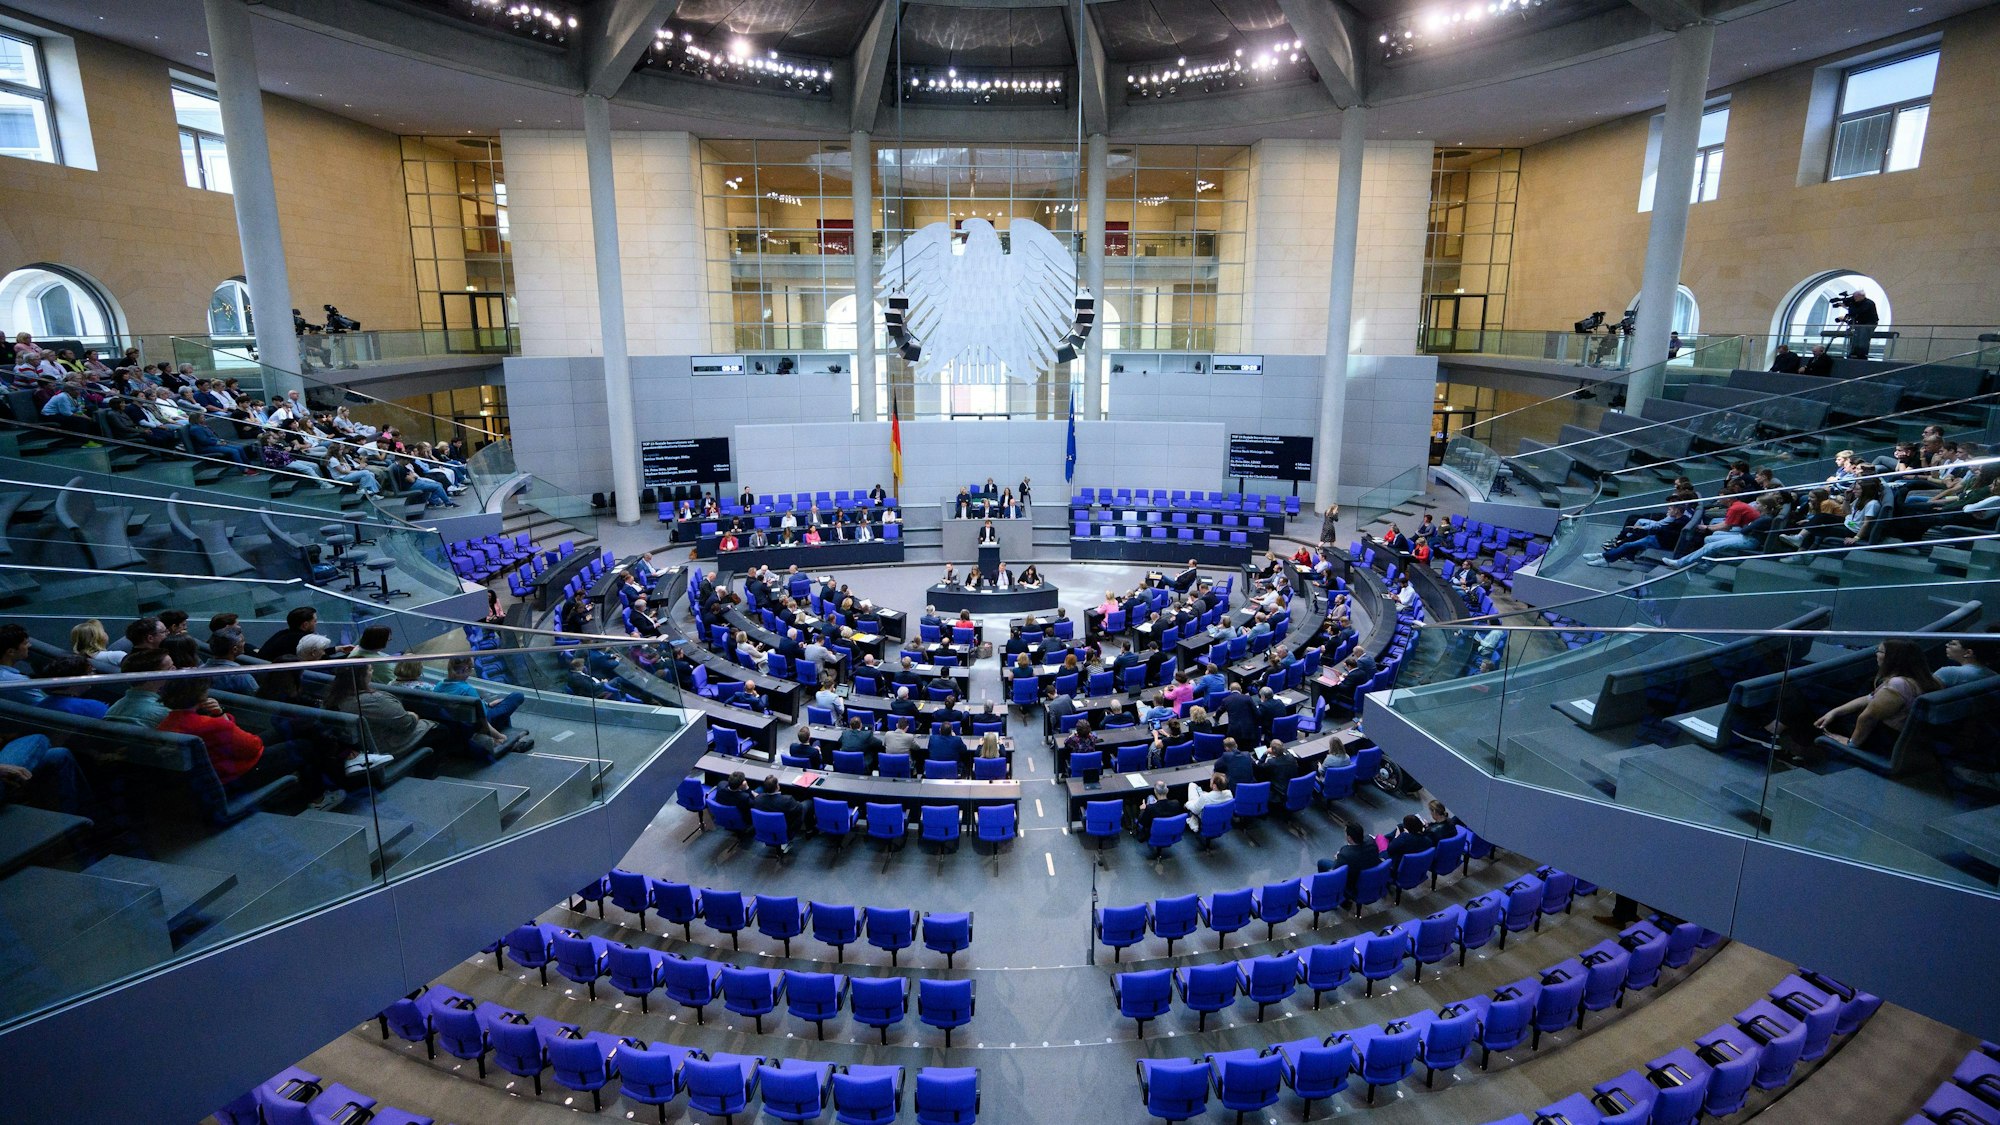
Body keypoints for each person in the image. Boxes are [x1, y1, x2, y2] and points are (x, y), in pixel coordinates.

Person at [159, 675, 345, 810]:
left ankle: (340, 758)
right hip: (240, 772)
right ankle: (319, 798)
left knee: (297, 725)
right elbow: (252, 746)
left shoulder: (167, 722)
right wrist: (221, 716)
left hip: (224, 766)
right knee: (304, 746)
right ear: (199, 695)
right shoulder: (208, 724)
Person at [1788, 639, 1939, 764]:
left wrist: (1851, 743)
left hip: (1879, 740)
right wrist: (1834, 712)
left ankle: (1797, 755)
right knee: (1813, 694)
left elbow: (1868, 718)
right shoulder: (1924, 680)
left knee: (1806, 706)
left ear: (1892, 658)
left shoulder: (1898, 685)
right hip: (1895, 739)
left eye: (1879, 651)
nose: (1877, 655)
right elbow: (1869, 698)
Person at [1317, 822, 1382, 896]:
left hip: (1354, 883)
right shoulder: (1371, 841)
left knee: (1322, 863)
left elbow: (1335, 870)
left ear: (1349, 838)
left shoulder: (1345, 854)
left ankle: (1334, 895)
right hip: (1371, 878)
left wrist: (1337, 858)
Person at [1841, 291, 1879, 358]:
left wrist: (1850, 305)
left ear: (1862, 296)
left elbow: (1858, 311)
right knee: (1854, 337)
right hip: (1859, 324)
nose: (1854, 298)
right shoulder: (1857, 303)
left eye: (1856, 297)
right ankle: (1853, 352)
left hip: (1869, 324)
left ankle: (1862, 354)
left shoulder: (1868, 303)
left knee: (1863, 338)